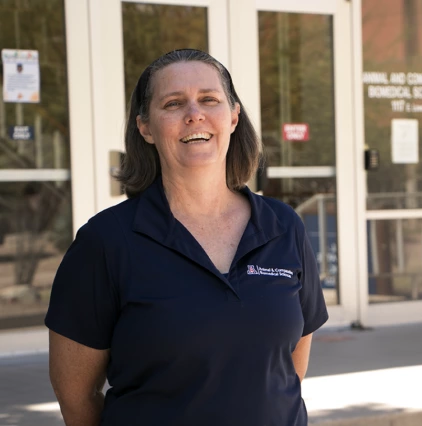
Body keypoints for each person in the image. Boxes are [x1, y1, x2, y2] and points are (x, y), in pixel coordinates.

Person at [45, 48, 328, 426]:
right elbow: (75, 395)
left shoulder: (283, 226)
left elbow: (290, 365)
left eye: (209, 99)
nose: (194, 113)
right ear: (145, 127)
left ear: (233, 116)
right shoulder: (105, 242)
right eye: (173, 103)